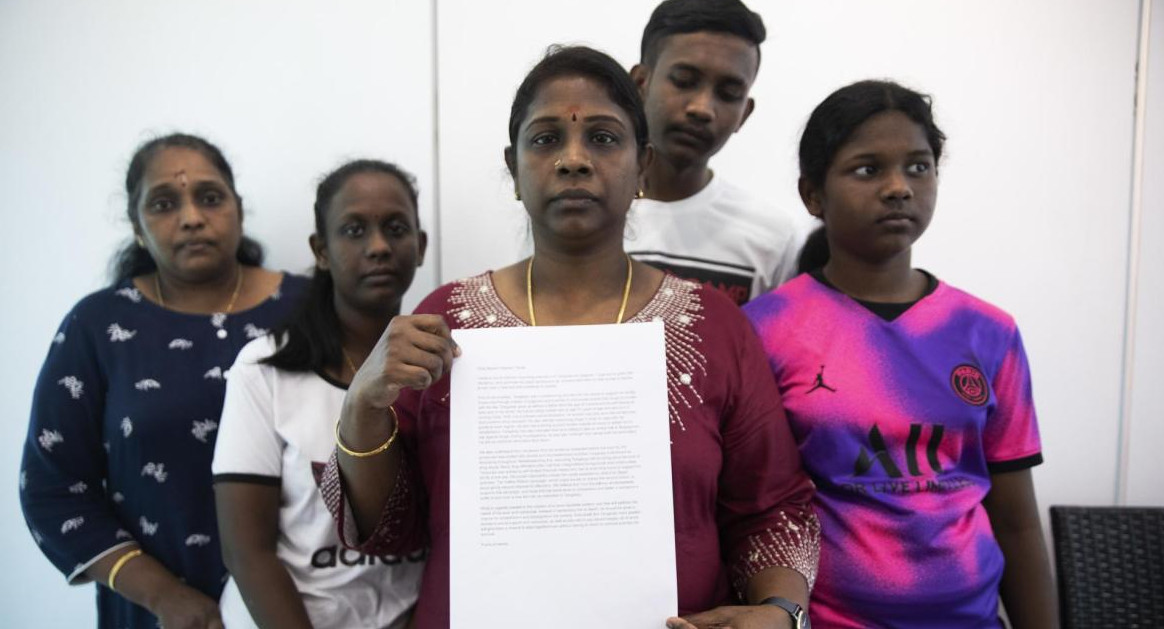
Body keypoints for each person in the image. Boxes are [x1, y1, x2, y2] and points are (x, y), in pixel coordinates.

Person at [319, 46, 819, 629]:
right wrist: (361, 406)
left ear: (643, 167)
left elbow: (772, 507)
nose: (573, 159)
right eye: (546, 139)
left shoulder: (711, 325)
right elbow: (388, 530)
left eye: (604, 139)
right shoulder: (446, 324)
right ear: (514, 168)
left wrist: (781, 613)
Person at [743, 80, 1058, 628]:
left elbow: (1016, 519)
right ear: (813, 194)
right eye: (867, 169)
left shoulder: (987, 331)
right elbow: (755, 511)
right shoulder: (766, 329)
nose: (899, 188)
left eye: (918, 167)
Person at [19, 133, 307, 629]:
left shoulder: (310, 310)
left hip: (309, 607)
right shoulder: (99, 327)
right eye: (164, 204)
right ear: (137, 228)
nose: (192, 217)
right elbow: (52, 487)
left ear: (239, 207)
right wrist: (163, 596)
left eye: (210, 197)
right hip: (162, 617)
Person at [212, 159, 428, 628]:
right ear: (322, 250)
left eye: (396, 228)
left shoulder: (439, 369)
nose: (378, 247)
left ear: (421, 246)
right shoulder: (263, 370)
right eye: (353, 230)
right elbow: (246, 551)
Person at [625, 0, 803, 306]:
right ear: (641, 84)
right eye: (684, 81)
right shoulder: (578, 213)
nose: (702, 108)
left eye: (728, 94)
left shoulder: (773, 238)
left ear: (744, 114)